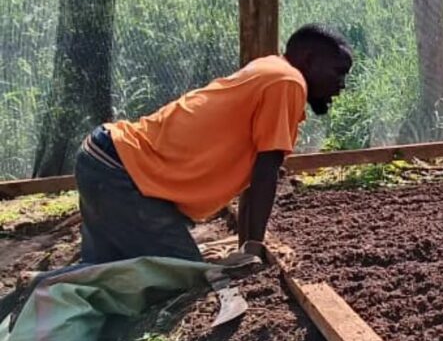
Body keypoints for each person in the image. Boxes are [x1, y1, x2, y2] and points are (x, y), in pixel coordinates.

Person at [74, 24, 352, 264]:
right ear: (309, 59)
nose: (341, 85)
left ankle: (40, 287)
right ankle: (40, 286)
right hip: (122, 172)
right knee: (180, 277)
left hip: (108, 160)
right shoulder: (287, 82)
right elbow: (266, 171)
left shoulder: (273, 71)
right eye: (338, 72)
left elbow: (257, 174)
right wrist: (253, 249)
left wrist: (248, 247)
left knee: (108, 271)